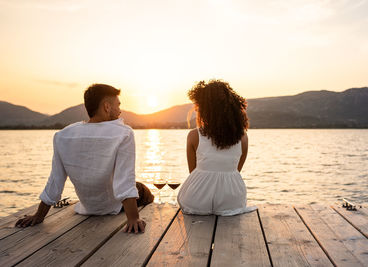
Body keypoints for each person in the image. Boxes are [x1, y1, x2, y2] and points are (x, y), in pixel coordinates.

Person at [15, 84, 154, 233]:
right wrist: (133, 218)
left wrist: (39, 215)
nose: (120, 111)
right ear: (107, 107)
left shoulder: (63, 136)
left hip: (88, 206)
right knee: (144, 191)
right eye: (118, 105)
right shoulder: (124, 133)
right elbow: (124, 181)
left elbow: (55, 181)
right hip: (114, 205)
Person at [177, 80, 256, 216]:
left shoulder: (194, 135)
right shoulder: (243, 137)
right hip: (232, 201)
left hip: (197, 201)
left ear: (203, 108)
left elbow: (193, 172)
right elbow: (236, 170)